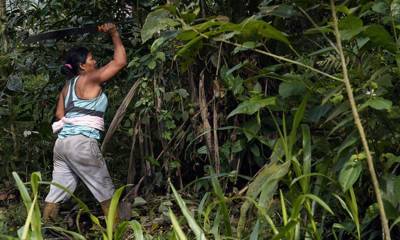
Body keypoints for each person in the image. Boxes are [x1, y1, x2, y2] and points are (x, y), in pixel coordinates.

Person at [42, 23, 127, 223]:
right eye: (91, 59)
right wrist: (114, 33)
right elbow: (120, 61)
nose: (95, 61)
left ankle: (44, 230)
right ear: (82, 66)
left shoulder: (68, 86)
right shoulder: (89, 79)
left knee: (57, 192)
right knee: (105, 190)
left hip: (62, 145)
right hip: (81, 143)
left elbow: (59, 114)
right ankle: (117, 233)